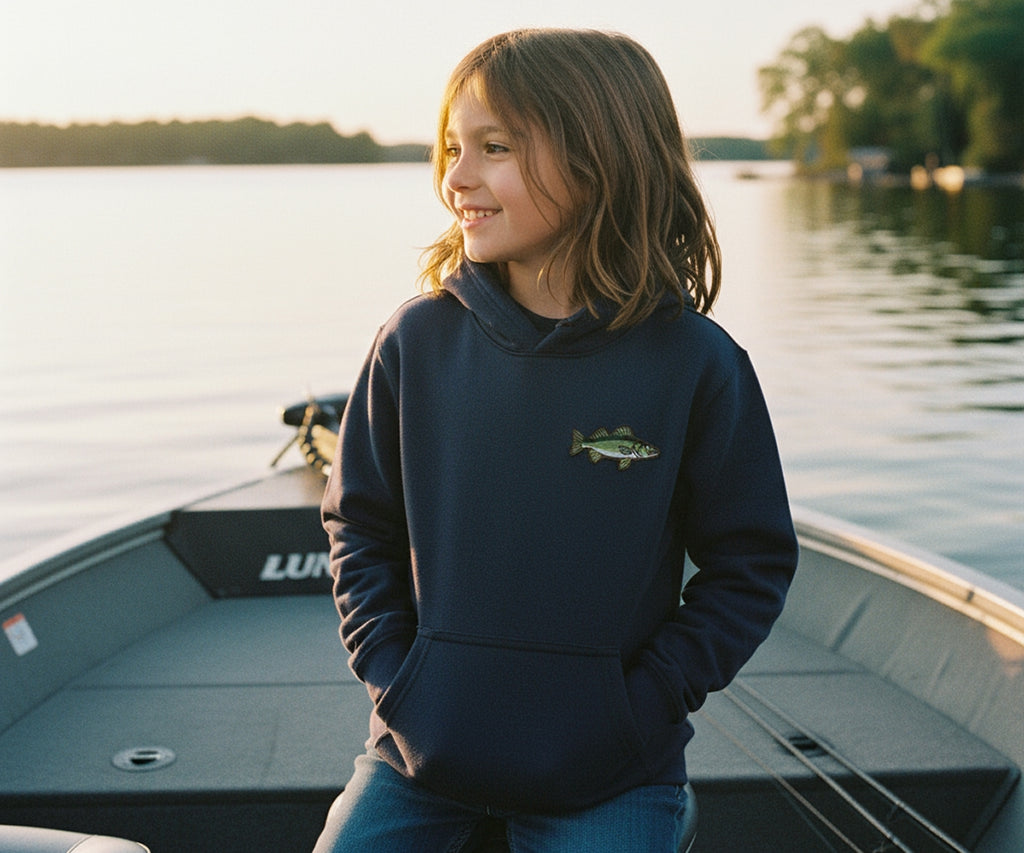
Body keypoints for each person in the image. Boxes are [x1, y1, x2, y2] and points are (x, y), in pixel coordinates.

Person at [315, 28, 798, 853]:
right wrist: (401, 683)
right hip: (414, 757)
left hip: (612, 771)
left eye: (493, 148)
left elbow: (749, 565)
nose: (455, 179)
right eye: (451, 148)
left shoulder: (696, 365)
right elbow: (358, 529)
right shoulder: (414, 343)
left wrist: (639, 704)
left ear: (599, 158)